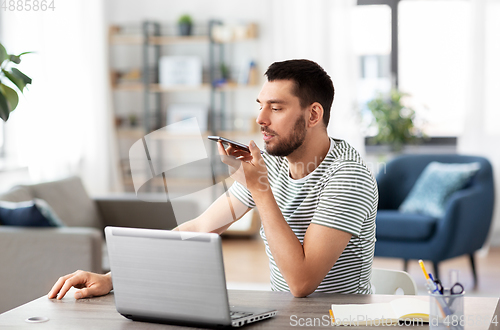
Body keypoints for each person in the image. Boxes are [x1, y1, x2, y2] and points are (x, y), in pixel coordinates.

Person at [48, 59, 377, 300]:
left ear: (314, 115)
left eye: (276, 108)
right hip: (286, 313)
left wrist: (260, 190)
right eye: (261, 106)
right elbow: (198, 229)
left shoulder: (347, 176)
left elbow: (302, 283)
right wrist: (112, 278)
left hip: (333, 319)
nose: (260, 119)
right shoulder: (273, 164)